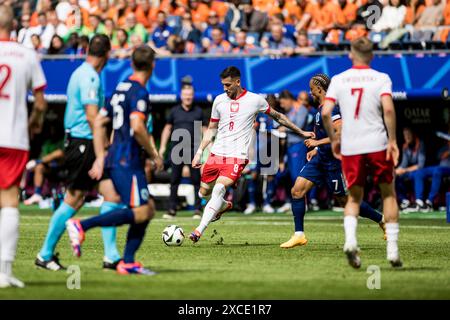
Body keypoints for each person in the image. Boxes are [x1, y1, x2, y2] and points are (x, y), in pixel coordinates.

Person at [66, 45, 163, 275]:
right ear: (152, 66)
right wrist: (153, 153)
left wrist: (101, 156)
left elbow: (99, 123)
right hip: (127, 160)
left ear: (131, 64)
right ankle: (82, 225)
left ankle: (128, 261)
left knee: (146, 208)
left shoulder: (121, 88)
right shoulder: (139, 91)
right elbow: (138, 126)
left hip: (114, 157)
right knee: (142, 211)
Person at [189, 66, 315, 243]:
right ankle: (223, 205)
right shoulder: (219, 100)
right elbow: (211, 129)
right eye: (223, 85)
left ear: (238, 82)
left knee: (219, 189)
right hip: (217, 153)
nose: (225, 89)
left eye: (228, 85)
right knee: (204, 193)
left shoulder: (255, 100)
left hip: (237, 155)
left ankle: (198, 231)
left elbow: (278, 116)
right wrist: (200, 152)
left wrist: (300, 132)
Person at [35, 35, 122, 272]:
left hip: (81, 142)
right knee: (73, 199)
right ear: (106, 54)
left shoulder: (79, 72)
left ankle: (111, 257)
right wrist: (103, 149)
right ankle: (44, 254)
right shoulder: (90, 77)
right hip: (83, 144)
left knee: (112, 196)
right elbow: (93, 117)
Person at [280, 74, 386, 249]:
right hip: (320, 158)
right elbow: (325, 135)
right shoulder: (320, 109)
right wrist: (316, 149)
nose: (310, 92)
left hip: (334, 163)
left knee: (347, 202)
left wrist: (316, 143)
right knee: (297, 190)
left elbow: (340, 134)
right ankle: (299, 234)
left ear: (319, 89)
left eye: (311, 88)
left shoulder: (332, 109)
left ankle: (381, 220)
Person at [321, 37, 402, 268]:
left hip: (351, 146)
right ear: (372, 56)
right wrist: (393, 140)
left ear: (351, 54)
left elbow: (326, 112)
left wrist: (335, 139)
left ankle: (350, 241)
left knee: (354, 197)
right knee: (388, 194)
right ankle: (393, 251)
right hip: (377, 142)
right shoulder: (381, 78)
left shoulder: (338, 79)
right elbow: (388, 108)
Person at [0, 4, 47, 288]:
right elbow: (40, 103)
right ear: (14, 25)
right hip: (14, 137)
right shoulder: (27, 54)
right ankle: (3, 273)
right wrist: (34, 124)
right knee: (9, 202)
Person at [158, 84, 208, 219]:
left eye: (190, 95)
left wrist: (208, 148)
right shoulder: (174, 111)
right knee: (174, 181)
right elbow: (167, 129)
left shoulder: (198, 111)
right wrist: (162, 147)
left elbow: (205, 131)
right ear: (181, 96)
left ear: (193, 96)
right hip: (177, 150)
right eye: (186, 94)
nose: (188, 97)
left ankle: (198, 209)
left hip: (194, 150)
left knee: (196, 181)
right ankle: (171, 209)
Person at [405, 140, 450, 212]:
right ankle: (419, 202)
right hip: (439, 167)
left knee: (437, 171)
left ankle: (430, 202)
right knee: (419, 172)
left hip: (447, 168)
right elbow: (439, 156)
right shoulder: (444, 147)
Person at [24, 129, 65, 205]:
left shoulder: (63, 140)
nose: (52, 132)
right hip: (49, 168)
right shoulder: (47, 143)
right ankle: (37, 195)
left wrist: (37, 161)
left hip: (62, 167)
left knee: (40, 163)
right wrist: (38, 163)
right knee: (39, 167)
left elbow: (60, 153)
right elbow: (43, 157)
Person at [395, 127, 426, 211]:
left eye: (409, 134)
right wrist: (396, 170)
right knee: (396, 176)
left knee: (417, 174)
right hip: (409, 171)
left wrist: (404, 170)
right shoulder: (405, 146)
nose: (407, 137)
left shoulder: (420, 144)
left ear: (413, 135)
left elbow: (420, 165)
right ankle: (404, 201)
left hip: (421, 170)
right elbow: (404, 164)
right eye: (405, 135)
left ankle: (419, 202)